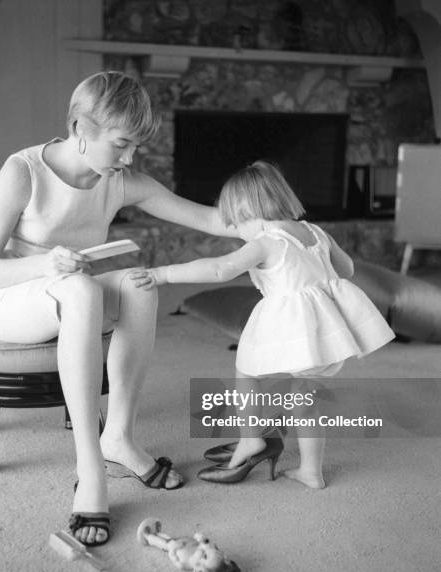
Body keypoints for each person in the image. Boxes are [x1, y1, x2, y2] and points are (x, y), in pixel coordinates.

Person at [0, 71, 237, 546]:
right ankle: (90, 468)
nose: (130, 158)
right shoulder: (22, 171)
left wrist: (279, 223)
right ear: (79, 128)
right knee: (81, 289)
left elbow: (210, 218)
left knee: (140, 284)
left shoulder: (118, 180)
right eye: (121, 144)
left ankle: (120, 437)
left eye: (136, 147)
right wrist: (45, 265)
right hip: (3, 301)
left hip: (68, 297)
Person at [132, 160, 395, 489]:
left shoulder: (267, 241)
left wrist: (162, 274)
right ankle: (311, 471)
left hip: (294, 326)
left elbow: (219, 270)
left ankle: (251, 438)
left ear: (246, 210)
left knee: (247, 371)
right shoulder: (315, 232)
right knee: (306, 398)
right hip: (327, 331)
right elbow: (348, 269)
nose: (236, 232)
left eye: (235, 224)